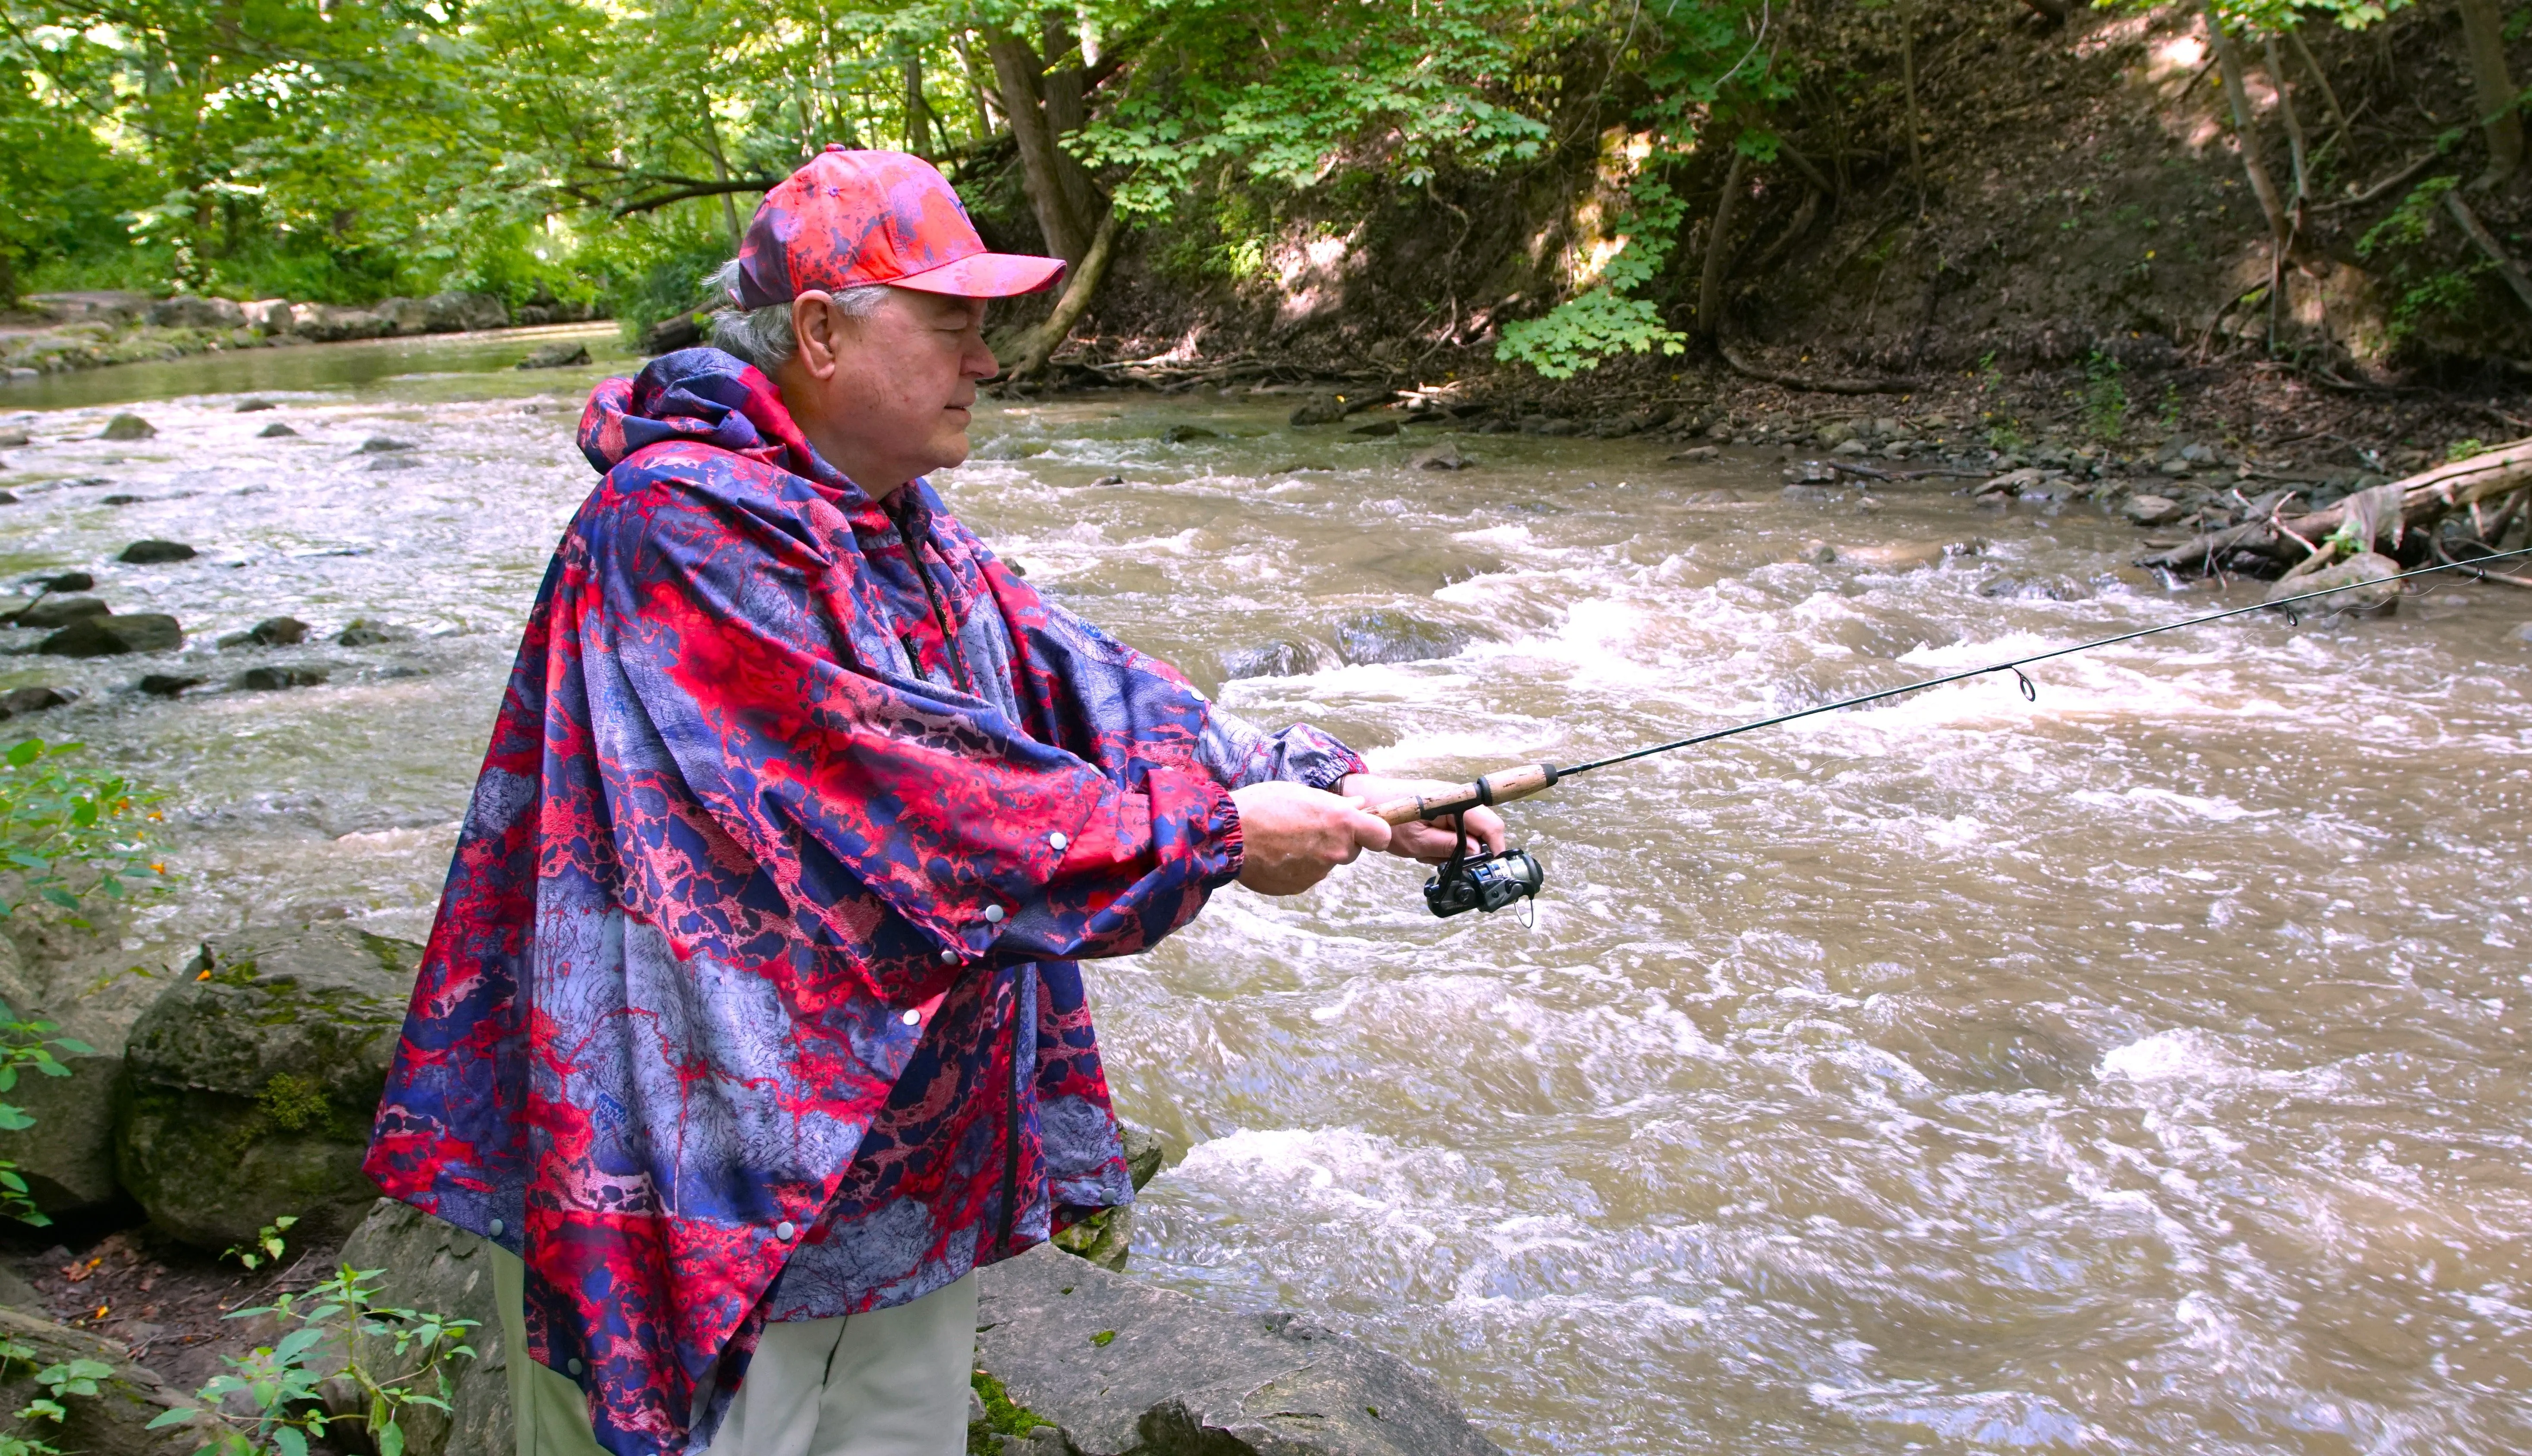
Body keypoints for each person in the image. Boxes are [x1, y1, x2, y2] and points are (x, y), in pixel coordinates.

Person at [363, 146, 1504, 1456]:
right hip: (692, 1179)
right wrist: (1219, 841)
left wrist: (1335, 780)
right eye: (953, 325)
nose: (988, 360)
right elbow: (908, 793)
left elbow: (1084, 683)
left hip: (884, 1182)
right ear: (819, 332)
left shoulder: (900, 519)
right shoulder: (673, 526)